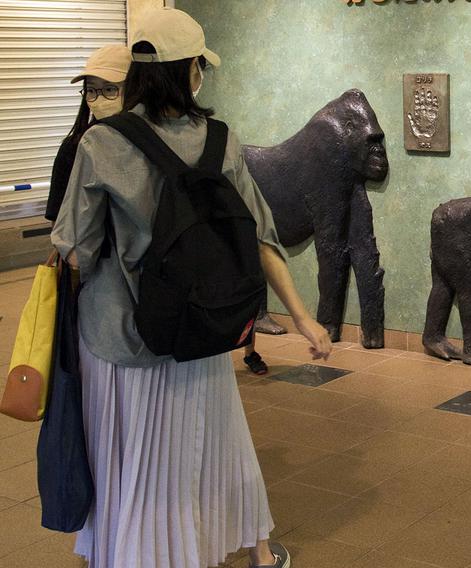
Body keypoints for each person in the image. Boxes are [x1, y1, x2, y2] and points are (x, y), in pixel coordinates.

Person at [50, 7, 331, 568]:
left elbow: (73, 249)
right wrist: (303, 316)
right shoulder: (222, 142)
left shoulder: (101, 144)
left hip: (117, 338)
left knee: (129, 462)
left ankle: (130, 553)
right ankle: (219, 549)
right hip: (200, 330)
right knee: (209, 452)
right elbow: (261, 237)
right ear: (192, 71)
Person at [45, 45, 132, 222]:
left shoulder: (149, 143)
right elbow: (60, 222)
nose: (98, 99)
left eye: (109, 89)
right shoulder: (74, 148)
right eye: (91, 90)